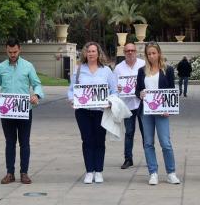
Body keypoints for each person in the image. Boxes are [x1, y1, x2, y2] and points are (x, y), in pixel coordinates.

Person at [0, 39, 44, 184]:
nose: (12, 54)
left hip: (24, 110)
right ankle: (9, 173)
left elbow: (37, 84)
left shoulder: (28, 66)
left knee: (24, 143)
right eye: (10, 52)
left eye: (15, 52)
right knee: (10, 142)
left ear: (20, 50)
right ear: (6, 50)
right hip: (6, 111)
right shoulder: (1, 67)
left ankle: (24, 172)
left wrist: (36, 95)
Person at [69, 42, 117, 184]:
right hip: (83, 112)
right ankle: (89, 171)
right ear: (85, 53)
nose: (91, 54)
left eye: (93, 51)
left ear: (98, 53)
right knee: (87, 140)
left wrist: (110, 102)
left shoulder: (106, 71)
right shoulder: (78, 70)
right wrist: (72, 100)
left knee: (99, 141)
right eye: (88, 51)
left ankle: (99, 171)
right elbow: (71, 89)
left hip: (101, 111)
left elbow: (114, 91)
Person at [136, 42, 180, 185]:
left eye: (154, 53)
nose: (151, 56)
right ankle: (153, 172)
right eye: (149, 54)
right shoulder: (141, 71)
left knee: (165, 143)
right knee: (148, 143)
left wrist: (169, 108)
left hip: (162, 111)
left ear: (159, 53)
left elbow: (172, 91)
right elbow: (137, 90)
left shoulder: (167, 70)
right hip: (146, 111)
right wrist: (140, 94)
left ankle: (171, 172)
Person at [114, 42, 146, 170]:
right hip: (127, 105)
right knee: (129, 132)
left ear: (136, 51)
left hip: (143, 104)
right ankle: (128, 159)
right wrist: (118, 87)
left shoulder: (143, 64)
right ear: (124, 52)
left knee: (146, 133)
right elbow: (114, 86)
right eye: (127, 51)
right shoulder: (118, 68)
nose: (130, 52)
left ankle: (149, 158)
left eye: (132, 50)